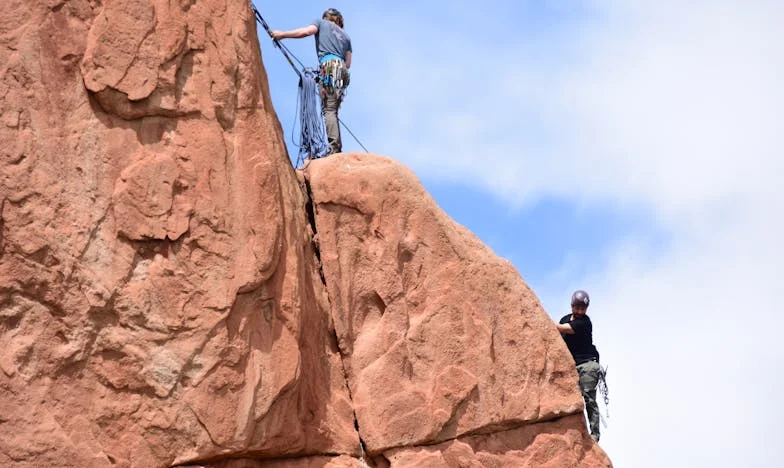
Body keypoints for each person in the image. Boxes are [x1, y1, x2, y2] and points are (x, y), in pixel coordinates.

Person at [271, 8, 352, 156]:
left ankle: (334, 148)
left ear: (326, 17)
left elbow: (306, 32)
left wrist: (282, 34)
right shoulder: (346, 37)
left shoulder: (320, 23)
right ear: (339, 21)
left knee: (328, 110)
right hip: (341, 73)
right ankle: (336, 145)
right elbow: (348, 64)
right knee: (332, 110)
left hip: (329, 67)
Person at [556, 289, 602, 442]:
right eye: (578, 307)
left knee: (589, 397)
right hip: (572, 366)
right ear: (572, 306)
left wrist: (542, 321)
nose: (580, 310)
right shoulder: (565, 319)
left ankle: (595, 434)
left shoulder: (584, 322)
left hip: (588, 365)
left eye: (583, 308)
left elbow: (564, 329)